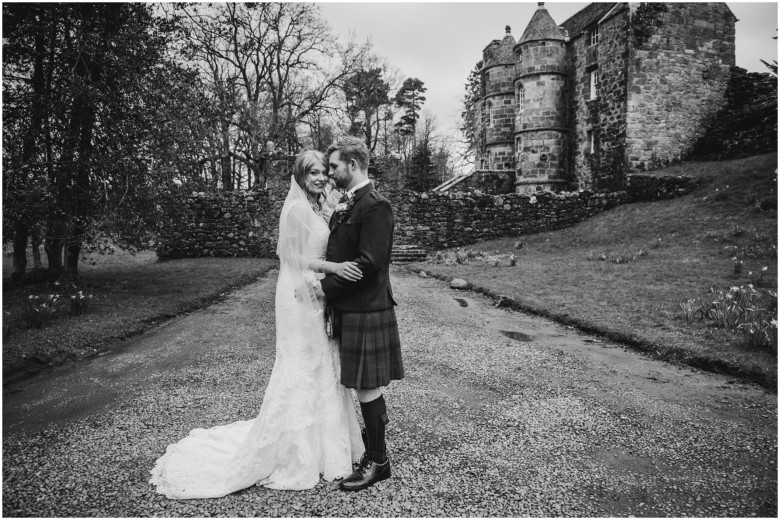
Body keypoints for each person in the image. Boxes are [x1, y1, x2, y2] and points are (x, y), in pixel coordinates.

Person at [149, 150, 364, 499]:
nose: (321, 177)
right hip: (297, 294)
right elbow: (290, 256)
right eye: (313, 173)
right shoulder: (295, 209)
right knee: (300, 362)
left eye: (324, 171)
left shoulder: (316, 206)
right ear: (299, 176)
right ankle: (294, 451)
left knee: (320, 362)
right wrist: (334, 269)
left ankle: (327, 446)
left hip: (313, 290)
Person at [312, 136, 405, 491]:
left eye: (334, 166)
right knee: (360, 385)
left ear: (353, 165)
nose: (331, 172)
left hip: (367, 308)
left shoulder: (375, 205)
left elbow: (369, 264)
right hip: (352, 308)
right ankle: (375, 454)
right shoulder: (351, 202)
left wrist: (325, 288)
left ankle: (379, 462)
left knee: (367, 386)